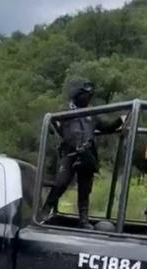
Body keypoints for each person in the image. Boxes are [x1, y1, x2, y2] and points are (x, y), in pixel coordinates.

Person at [41, 79, 125, 229]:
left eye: (89, 95)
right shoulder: (65, 112)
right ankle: (44, 212)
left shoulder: (92, 115)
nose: (88, 97)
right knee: (61, 183)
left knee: (85, 190)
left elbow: (106, 127)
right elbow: (56, 126)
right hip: (70, 153)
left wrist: (120, 120)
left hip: (87, 154)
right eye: (85, 94)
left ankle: (84, 220)